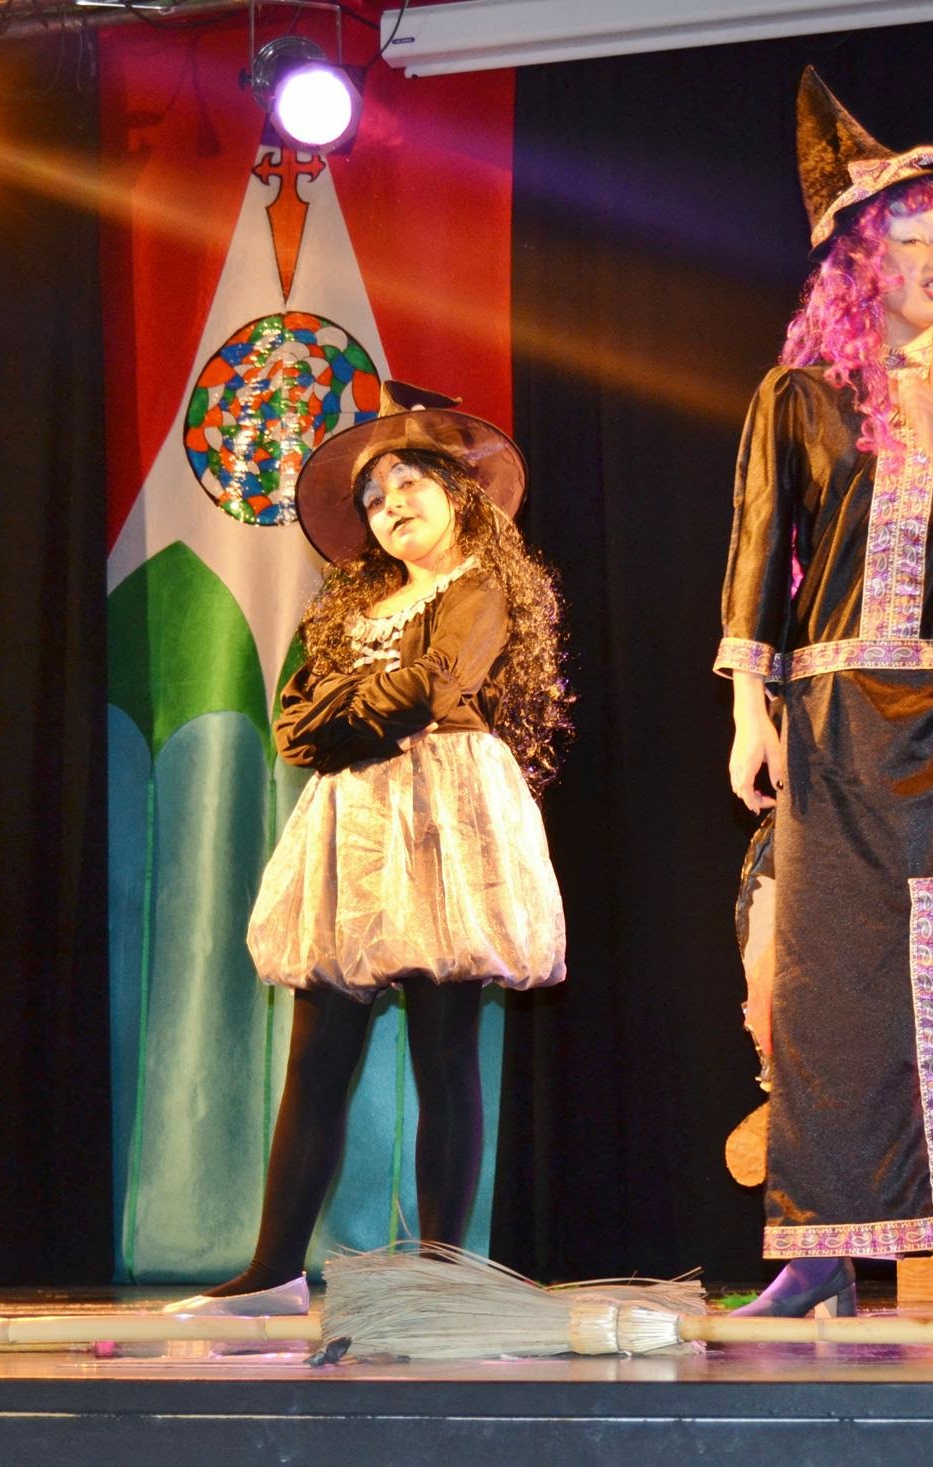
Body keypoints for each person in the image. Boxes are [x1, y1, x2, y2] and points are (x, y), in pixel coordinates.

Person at [717, 69, 933, 1319]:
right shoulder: (797, 396)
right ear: (860, 265)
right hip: (833, 710)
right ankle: (822, 1252)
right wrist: (749, 709)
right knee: (830, 981)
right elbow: (758, 557)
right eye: (909, 242)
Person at [167, 383, 570, 1317]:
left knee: (444, 1050)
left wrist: (347, 711)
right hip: (354, 819)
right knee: (317, 1052)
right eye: (375, 498)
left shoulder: (480, 585)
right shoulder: (352, 608)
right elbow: (295, 721)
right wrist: (348, 714)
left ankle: (440, 1279)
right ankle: (272, 1272)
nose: (392, 507)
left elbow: (433, 685)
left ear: (457, 490)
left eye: (409, 484)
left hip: (444, 815)